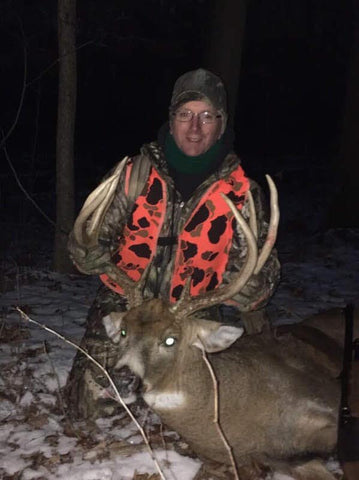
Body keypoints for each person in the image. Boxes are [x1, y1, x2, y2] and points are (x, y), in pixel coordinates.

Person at [65, 68, 280, 419]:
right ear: (172, 119)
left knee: (195, 414)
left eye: (206, 116)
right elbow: (93, 238)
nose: (195, 127)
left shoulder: (242, 194)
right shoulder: (133, 175)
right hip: (128, 303)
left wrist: (253, 287)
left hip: (192, 312)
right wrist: (87, 253)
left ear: (221, 123)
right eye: (185, 115)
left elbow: (263, 267)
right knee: (88, 408)